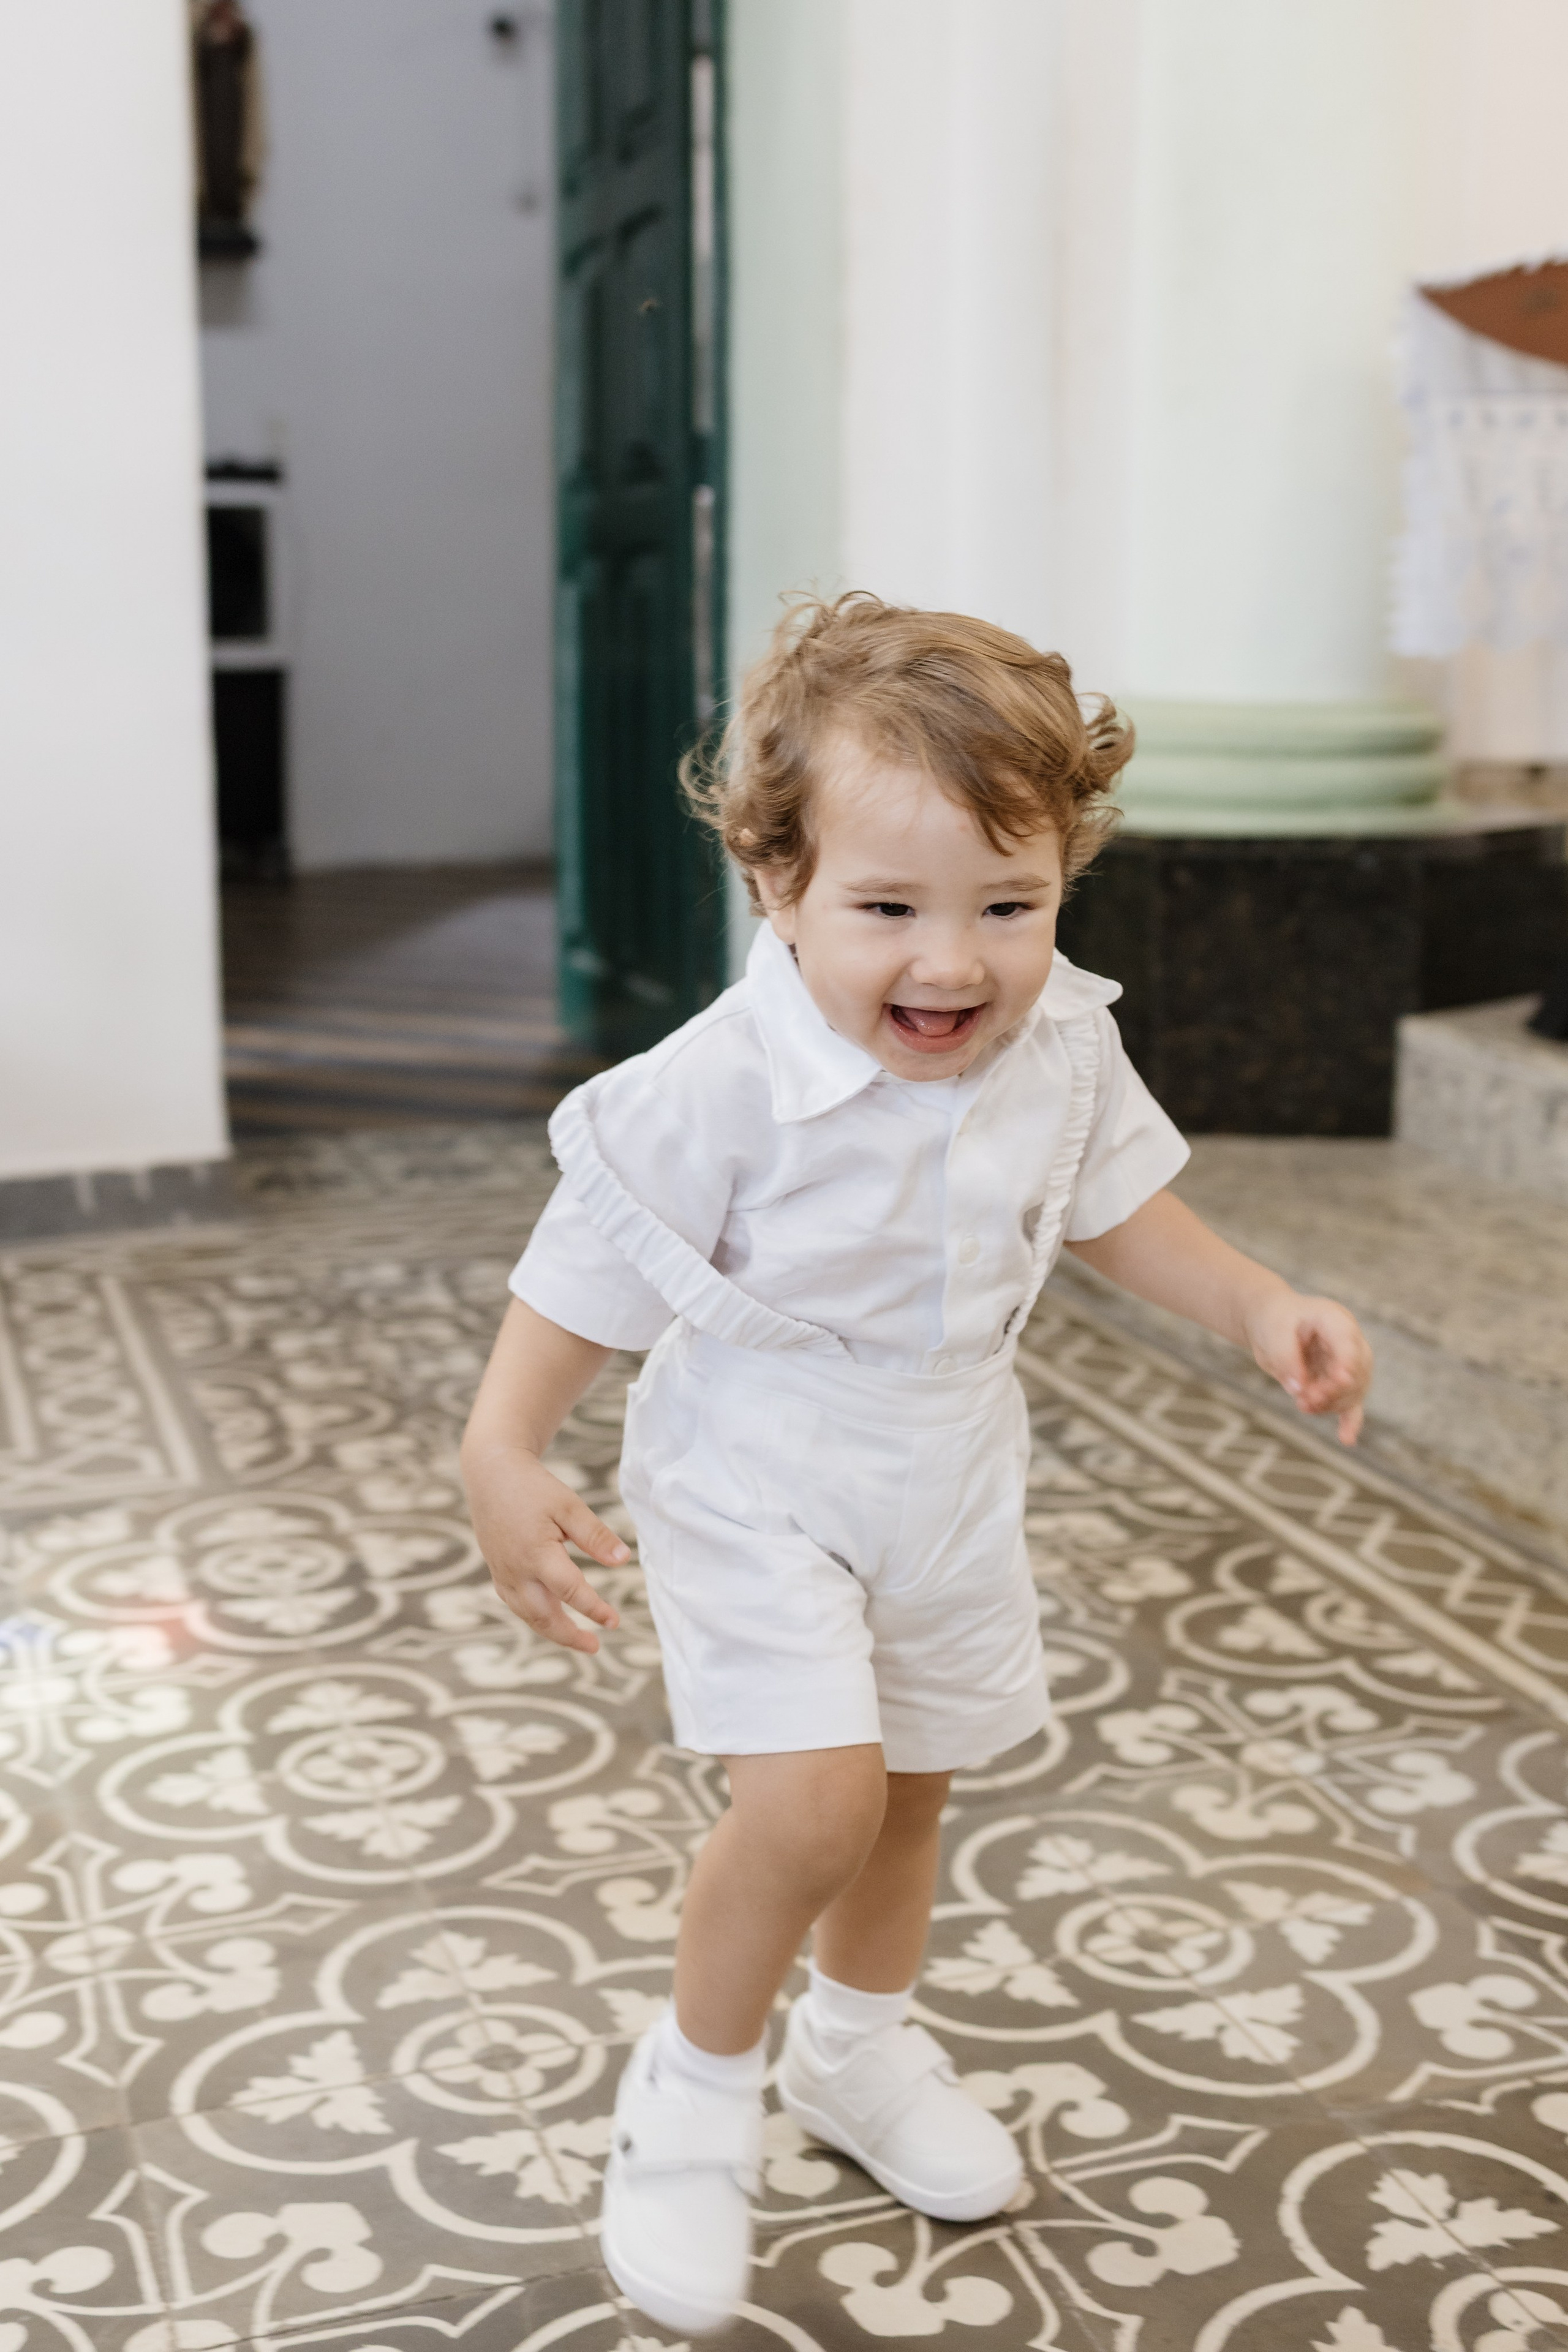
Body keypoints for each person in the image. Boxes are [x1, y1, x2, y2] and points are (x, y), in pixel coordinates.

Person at [461, 593, 1373, 2335]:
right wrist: (503, 1444)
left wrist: (1260, 1302)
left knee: (914, 1785)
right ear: (777, 885)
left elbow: (1118, 1208)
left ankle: (857, 2055)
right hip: (756, 1467)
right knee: (807, 1799)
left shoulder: (1062, 1043)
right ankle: (694, 2095)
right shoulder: (717, 1083)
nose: (953, 966)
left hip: (953, 1464)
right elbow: (586, 1259)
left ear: (1062, 887)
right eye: (889, 910)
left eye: (1008, 910)